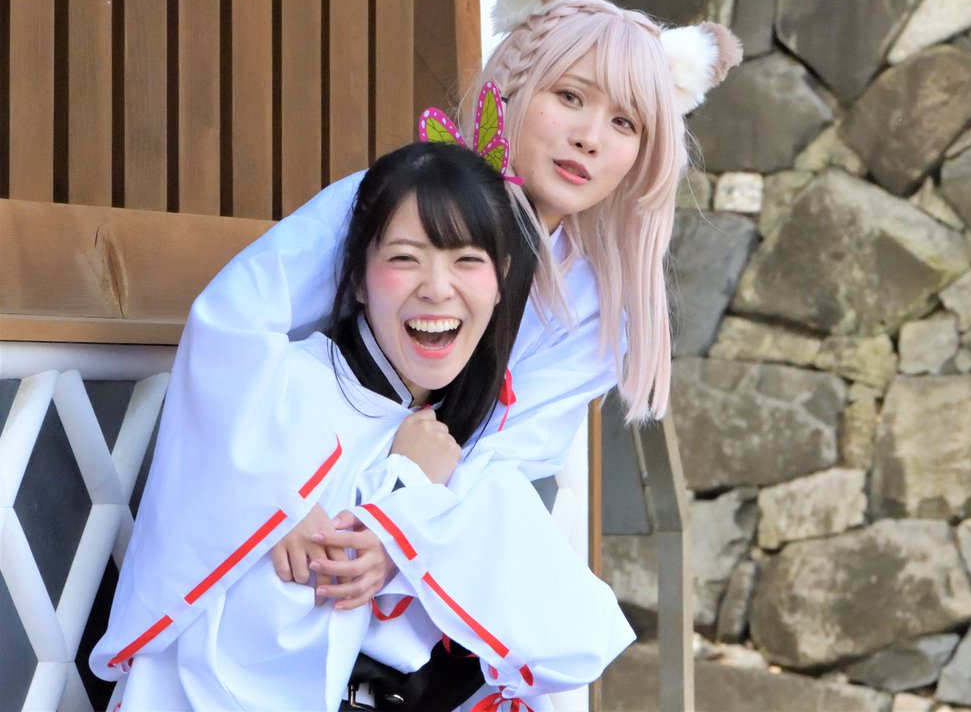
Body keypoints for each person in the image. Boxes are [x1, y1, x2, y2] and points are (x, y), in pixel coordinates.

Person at [91, 0, 741, 709]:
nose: (590, 136)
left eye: (624, 122)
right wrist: (279, 501)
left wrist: (398, 535)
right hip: (309, 478)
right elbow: (237, 315)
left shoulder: (598, 304)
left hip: (428, 508)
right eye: (570, 96)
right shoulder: (401, 198)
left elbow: (505, 453)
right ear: (517, 82)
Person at [92, 140, 631, 710]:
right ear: (356, 278)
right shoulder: (281, 402)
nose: (437, 287)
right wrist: (400, 491)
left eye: (467, 261)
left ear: (501, 283)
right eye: (405, 258)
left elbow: (570, 642)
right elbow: (268, 642)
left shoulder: (458, 453)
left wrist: (410, 525)